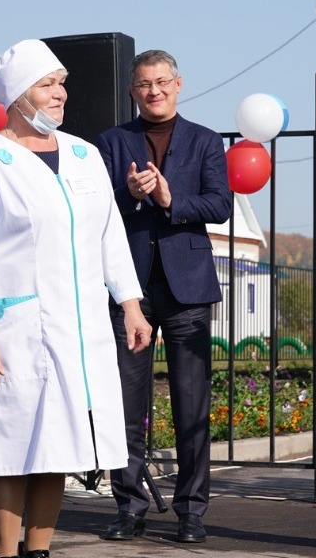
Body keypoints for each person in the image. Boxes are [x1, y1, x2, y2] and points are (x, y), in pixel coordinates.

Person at [0, 39, 154, 558]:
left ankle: (38, 551)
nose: (60, 94)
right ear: (18, 95)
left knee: (58, 446)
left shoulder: (84, 155)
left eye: (61, 83)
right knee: (9, 448)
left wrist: (130, 304)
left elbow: (109, 236)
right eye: (47, 84)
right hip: (13, 331)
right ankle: (5, 553)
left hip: (78, 331)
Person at [94, 49, 232, 544]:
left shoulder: (205, 139)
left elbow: (220, 204)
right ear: (133, 91)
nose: (153, 91)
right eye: (144, 84)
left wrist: (171, 199)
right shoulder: (112, 141)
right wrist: (130, 194)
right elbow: (93, 209)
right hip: (128, 289)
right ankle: (129, 507)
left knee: (191, 406)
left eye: (161, 82)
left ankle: (191, 511)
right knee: (126, 405)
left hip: (187, 289)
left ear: (178, 84)